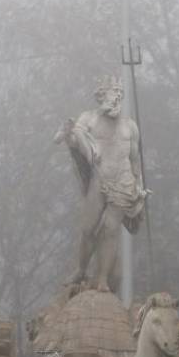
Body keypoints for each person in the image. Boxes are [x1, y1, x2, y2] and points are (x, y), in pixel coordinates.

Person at [54, 76, 149, 293]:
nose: (116, 100)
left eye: (119, 96)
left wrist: (140, 186)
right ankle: (81, 269)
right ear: (101, 97)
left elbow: (135, 160)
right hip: (100, 179)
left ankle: (103, 279)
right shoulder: (89, 119)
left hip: (124, 184)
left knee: (110, 229)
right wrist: (68, 134)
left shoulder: (130, 126)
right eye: (111, 95)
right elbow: (77, 141)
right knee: (88, 229)